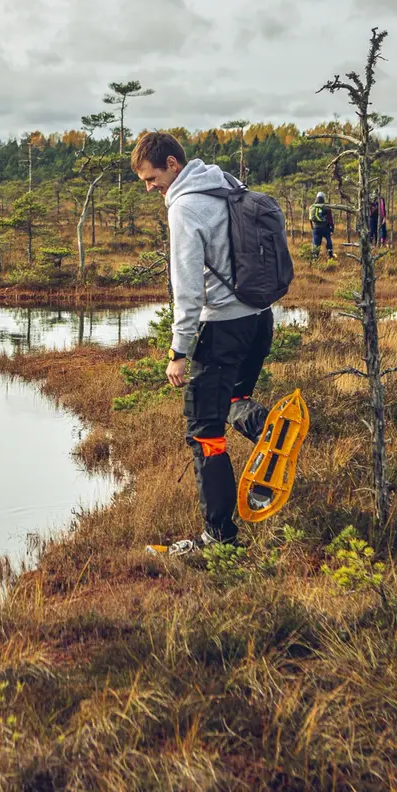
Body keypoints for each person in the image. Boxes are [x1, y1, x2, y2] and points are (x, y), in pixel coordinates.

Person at [132, 131, 277, 553]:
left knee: (204, 431)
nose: (149, 188)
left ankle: (219, 538)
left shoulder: (185, 207)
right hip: (259, 318)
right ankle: (269, 430)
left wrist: (179, 352)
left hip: (223, 328)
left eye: (151, 178)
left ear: (173, 165)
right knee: (233, 401)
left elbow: (189, 289)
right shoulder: (226, 184)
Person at [308, 191, 334, 259]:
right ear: (324, 198)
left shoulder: (312, 207)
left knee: (316, 244)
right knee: (328, 241)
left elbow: (310, 219)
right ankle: (330, 255)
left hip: (316, 229)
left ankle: (315, 258)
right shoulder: (326, 207)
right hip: (325, 228)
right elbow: (330, 219)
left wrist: (312, 228)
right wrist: (332, 228)